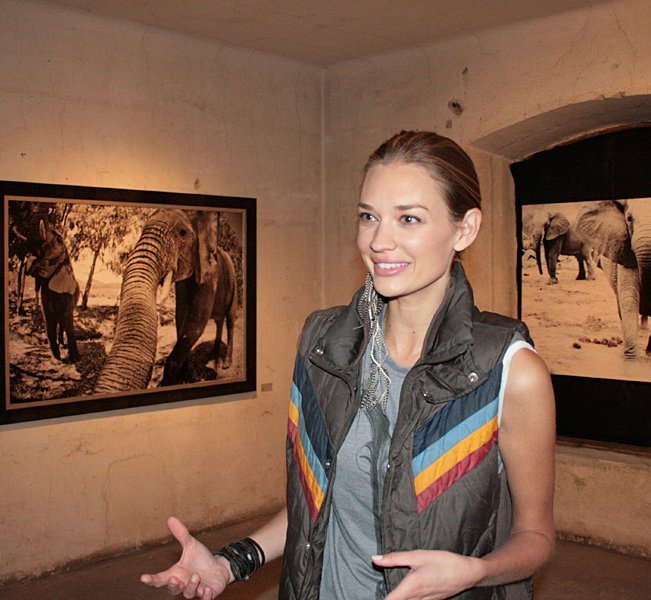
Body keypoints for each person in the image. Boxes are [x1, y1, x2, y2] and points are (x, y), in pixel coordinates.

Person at [141, 130, 555, 599]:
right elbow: (321, 503)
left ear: (465, 229)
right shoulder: (323, 345)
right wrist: (230, 561)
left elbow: (535, 537)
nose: (379, 240)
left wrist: (474, 572)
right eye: (368, 216)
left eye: (408, 218)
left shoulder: (508, 370)